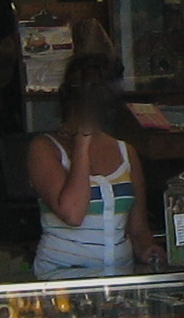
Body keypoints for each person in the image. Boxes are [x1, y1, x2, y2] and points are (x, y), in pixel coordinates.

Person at [31, 56, 156, 276]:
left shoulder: (125, 151)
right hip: (62, 278)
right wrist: (82, 144)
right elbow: (72, 213)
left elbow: (137, 229)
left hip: (119, 280)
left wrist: (149, 250)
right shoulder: (44, 148)